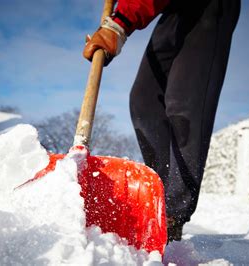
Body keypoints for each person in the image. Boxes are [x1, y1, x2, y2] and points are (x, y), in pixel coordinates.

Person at [83, 0, 240, 242]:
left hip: (208, 6)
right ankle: (158, 197)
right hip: (174, 10)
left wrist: (119, 23)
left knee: (183, 102)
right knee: (143, 101)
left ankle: (172, 214)